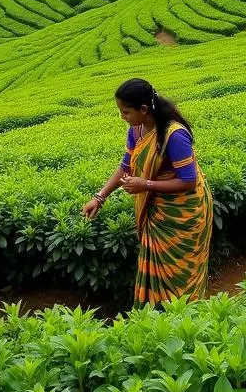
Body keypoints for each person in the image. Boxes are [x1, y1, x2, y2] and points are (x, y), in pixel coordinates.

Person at [83, 78, 213, 306]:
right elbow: (126, 165)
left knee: (181, 273)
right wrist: (100, 197)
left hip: (184, 211)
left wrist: (146, 185)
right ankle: (154, 317)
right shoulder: (137, 130)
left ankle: (187, 316)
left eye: (125, 112)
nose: (122, 117)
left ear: (144, 109)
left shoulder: (174, 134)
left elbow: (189, 181)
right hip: (157, 210)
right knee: (155, 264)